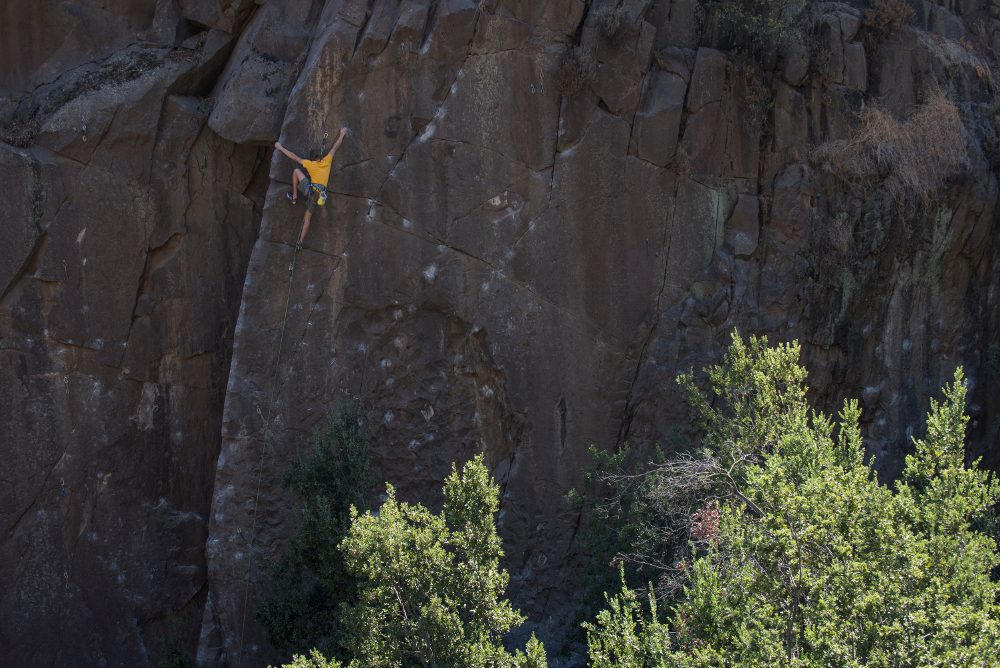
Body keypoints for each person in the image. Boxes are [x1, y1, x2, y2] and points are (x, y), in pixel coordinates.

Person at [274, 126, 348, 246]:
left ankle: (294, 197)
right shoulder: (327, 161)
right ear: (320, 157)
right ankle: (301, 242)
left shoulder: (310, 164)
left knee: (296, 172)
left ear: (312, 159)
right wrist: (342, 134)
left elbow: (294, 157)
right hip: (320, 197)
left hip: (311, 191)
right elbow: (335, 147)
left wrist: (280, 147)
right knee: (307, 218)